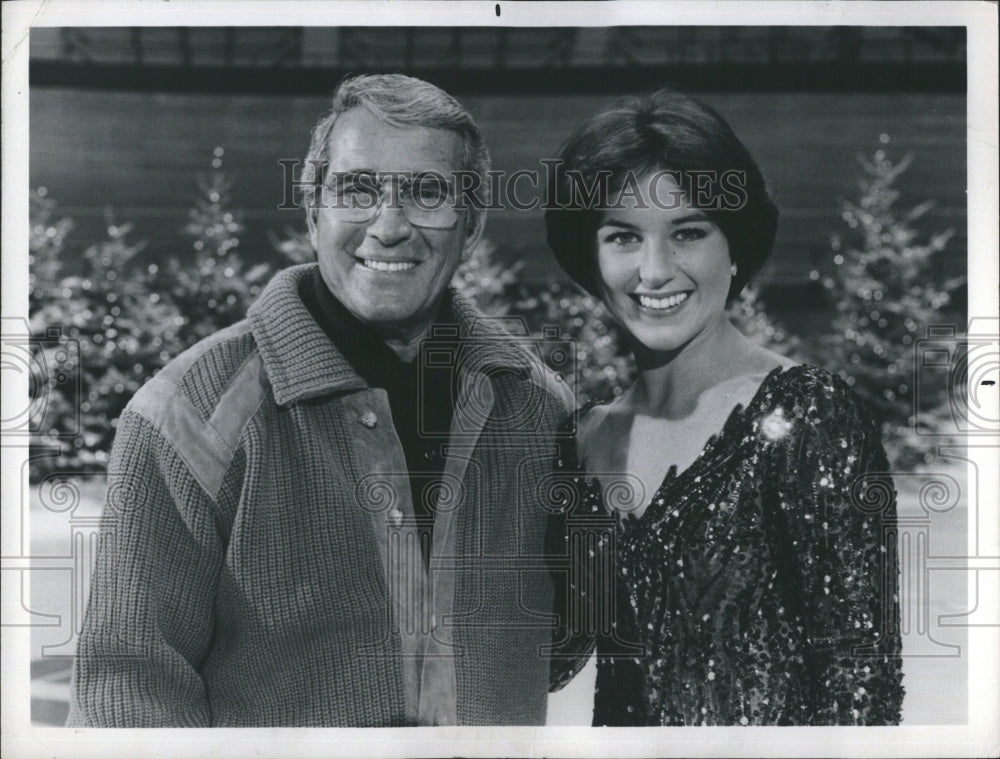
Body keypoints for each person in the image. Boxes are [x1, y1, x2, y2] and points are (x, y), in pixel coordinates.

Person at [68, 73, 575, 727]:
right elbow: (126, 697)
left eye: (426, 192)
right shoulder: (187, 413)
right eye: (357, 189)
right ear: (313, 214)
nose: (389, 226)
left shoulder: (539, 409)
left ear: (472, 224)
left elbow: (559, 645)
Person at [544, 88, 905, 725]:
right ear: (588, 256)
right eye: (623, 237)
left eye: (688, 232)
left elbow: (862, 689)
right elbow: (552, 655)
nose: (654, 271)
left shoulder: (807, 417)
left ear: (734, 245)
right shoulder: (582, 438)